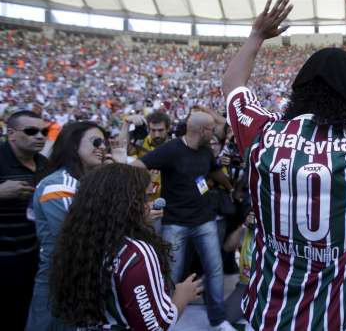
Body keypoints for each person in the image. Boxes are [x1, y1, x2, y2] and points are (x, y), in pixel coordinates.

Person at [221, 0, 346, 330]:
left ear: (297, 89)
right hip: (333, 312)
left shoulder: (263, 136)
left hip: (266, 307)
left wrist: (257, 34)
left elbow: (232, 85)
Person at [49, 164, 203, 330]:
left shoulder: (82, 244)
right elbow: (155, 326)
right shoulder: (136, 253)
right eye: (144, 199)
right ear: (124, 205)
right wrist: (182, 296)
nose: (149, 206)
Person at [131, 111, 234, 331]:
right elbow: (138, 165)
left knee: (214, 270)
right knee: (172, 274)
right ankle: (166, 318)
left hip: (204, 221)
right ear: (202, 130)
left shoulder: (205, 151)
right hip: (175, 223)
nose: (215, 132)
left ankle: (217, 320)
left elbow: (215, 172)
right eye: (211, 128)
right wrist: (142, 193)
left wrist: (231, 187)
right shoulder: (171, 150)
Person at [26, 121, 109, 330]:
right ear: (73, 146)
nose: (102, 147)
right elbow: (78, 239)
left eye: (104, 142)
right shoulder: (58, 184)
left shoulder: (85, 181)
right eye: (95, 141)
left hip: (81, 281)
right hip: (61, 284)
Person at [0, 111, 49, 330]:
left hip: (33, 259)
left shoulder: (45, 164)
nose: (40, 136)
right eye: (31, 131)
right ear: (11, 134)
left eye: (44, 131)